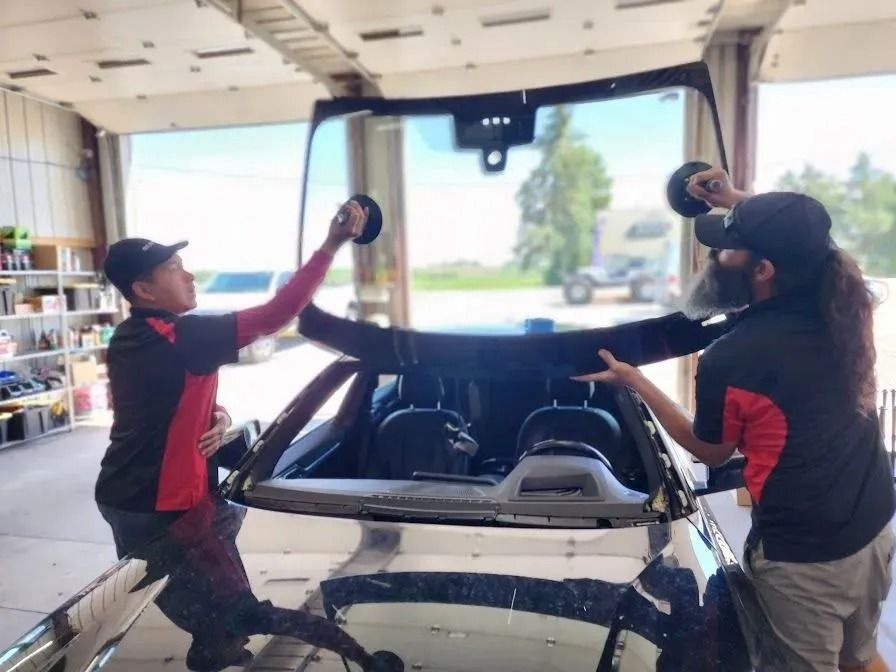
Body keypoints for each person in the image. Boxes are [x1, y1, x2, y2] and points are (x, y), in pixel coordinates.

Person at [576, 167, 895, 672]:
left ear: (764, 269)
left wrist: (635, 380)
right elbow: (812, 234)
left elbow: (710, 451)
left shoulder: (735, 356)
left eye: (726, 247)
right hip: (874, 522)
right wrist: (738, 200)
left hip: (804, 556)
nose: (713, 256)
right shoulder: (843, 302)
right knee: (859, 656)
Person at [94, 199, 368, 557]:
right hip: (159, 505)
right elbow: (275, 315)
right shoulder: (181, 336)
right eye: (174, 268)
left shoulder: (131, 335)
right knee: (214, 606)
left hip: (126, 493)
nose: (189, 276)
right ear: (144, 290)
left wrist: (219, 415)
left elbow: (160, 399)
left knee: (169, 600)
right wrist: (331, 245)